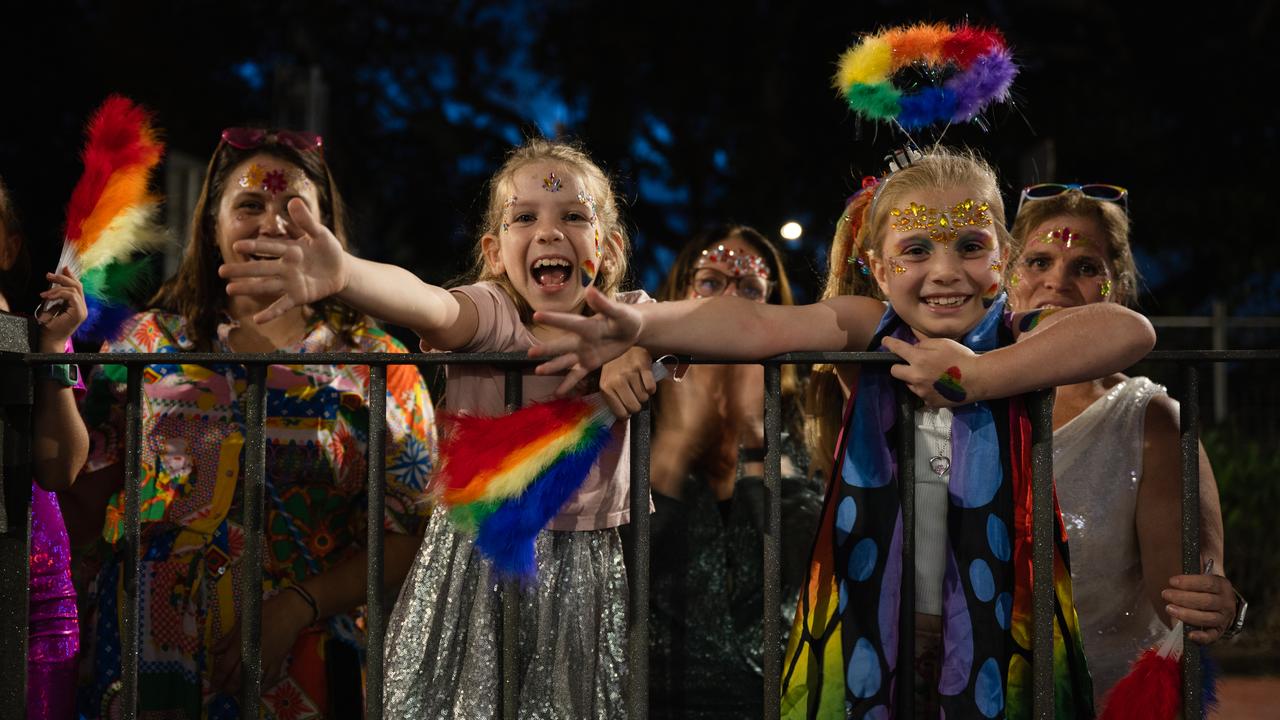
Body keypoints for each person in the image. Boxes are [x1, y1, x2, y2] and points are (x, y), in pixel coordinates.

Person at [527, 147, 1159, 718]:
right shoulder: (870, 327)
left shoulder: (1020, 337)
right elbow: (756, 326)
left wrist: (980, 374)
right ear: (879, 270)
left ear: (1003, 261)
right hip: (869, 627)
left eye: (970, 246)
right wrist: (642, 325)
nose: (946, 271)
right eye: (916, 251)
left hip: (1003, 624)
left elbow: (1130, 332)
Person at [218, 137, 654, 718]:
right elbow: (429, 306)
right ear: (495, 253)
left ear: (608, 246)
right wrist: (346, 273)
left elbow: (680, 333)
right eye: (525, 217)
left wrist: (638, 349)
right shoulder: (490, 312)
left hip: (582, 570)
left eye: (574, 216)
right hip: (474, 565)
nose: (549, 232)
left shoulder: (631, 316)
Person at [60, 128, 437, 719]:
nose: (271, 225)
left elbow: (410, 533)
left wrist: (296, 605)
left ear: (328, 233)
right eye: (249, 205)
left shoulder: (378, 364)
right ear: (211, 226)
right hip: (142, 662)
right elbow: (79, 495)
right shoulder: (143, 344)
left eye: (294, 210)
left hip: (305, 667)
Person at [1007, 184, 1241, 706]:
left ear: (1118, 288)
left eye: (1085, 268)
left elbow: (1186, 591)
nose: (1056, 283)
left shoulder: (1150, 420)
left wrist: (1214, 603)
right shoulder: (953, 397)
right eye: (1037, 261)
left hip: (1105, 702)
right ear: (1005, 277)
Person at [643, 224, 821, 719]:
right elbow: (619, 571)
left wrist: (755, 439)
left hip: (776, 696)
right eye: (710, 282)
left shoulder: (802, 414)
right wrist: (675, 446)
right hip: (658, 694)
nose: (728, 302)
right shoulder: (638, 409)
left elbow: (809, 562)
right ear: (678, 296)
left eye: (748, 289)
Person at [0, 176, 91, 720]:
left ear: (8, 245)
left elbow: (60, 469)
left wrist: (53, 348)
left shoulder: (41, 333)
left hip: (35, 595)